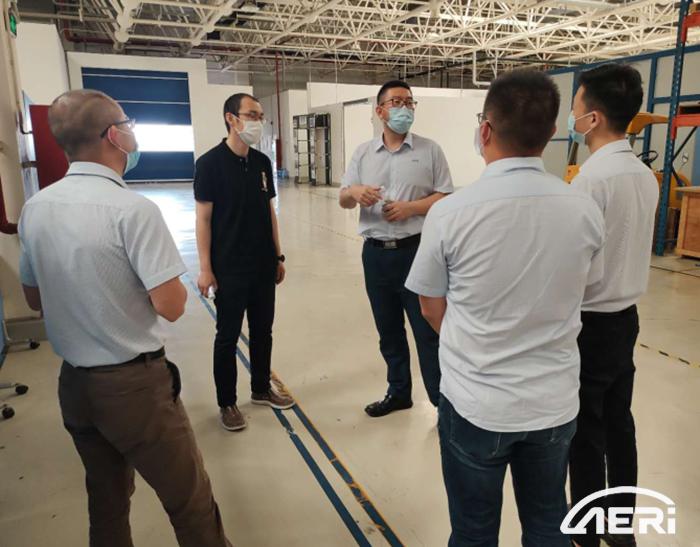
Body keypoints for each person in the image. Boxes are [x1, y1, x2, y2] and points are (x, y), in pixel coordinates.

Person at [18, 90, 231, 547]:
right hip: (134, 389)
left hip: (75, 386)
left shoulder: (35, 208)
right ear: (114, 136)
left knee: (107, 502)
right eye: (128, 123)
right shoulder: (132, 210)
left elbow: (34, 298)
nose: (132, 132)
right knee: (189, 502)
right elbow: (171, 306)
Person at [406, 69, 606, 546]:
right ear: (550, 133)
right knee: (548, 523)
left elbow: (430, 307)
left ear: (485, 130)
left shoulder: (450, 213)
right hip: (553, 405)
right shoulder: (583, 209)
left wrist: (476, 343)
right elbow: (587, 289)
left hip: (477, 404)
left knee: (473, 530)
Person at [567, 64, 659, 547]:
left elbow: (577, 264)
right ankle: (621, 525)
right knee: (620, 422)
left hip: (592, 321)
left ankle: (586, 527)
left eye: (576, 108)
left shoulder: (590, 181)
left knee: (586, 428)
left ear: (594, 117)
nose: (572, 117)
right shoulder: (644, 175)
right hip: (626, 318)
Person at [339, 80, 454, 418]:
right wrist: (355, 192)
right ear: (380, 111)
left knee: (427, 331)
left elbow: (445, 196)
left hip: (416, 252)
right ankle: (399, 392)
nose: (404, 108)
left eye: (409, 102)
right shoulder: (363, 153)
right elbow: (344, 198)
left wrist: (410, 209)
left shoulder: (430, 150)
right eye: (396, 102)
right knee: (388, 330)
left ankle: (442, 402)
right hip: (375, 255)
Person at [194, 93, 293, 432]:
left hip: (262, 264)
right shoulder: (209, 164)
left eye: (260, 116)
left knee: (263, 331)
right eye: (252, 114)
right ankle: (227, 403)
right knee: (227, 337)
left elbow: (269, 212)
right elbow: (203, 219)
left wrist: (277, 255)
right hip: (229, 267)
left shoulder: (262, 163)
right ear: (231, 118)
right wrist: (206, 268)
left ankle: (261, 388)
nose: (258, 122)